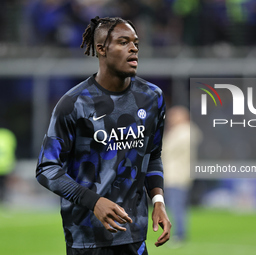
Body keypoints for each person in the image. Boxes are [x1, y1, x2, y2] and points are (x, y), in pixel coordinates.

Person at [36, 16, 171, 254]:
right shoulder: (74, 103)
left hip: (134, 236)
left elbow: (153, 155)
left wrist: (158, 201)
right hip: (86, 238)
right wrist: (94, 202)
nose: (133, 48)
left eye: (136, 43)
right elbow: (46, 168)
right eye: (123, 42)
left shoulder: (152, 97)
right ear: (101, 49)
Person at [163, 106, 201, 246]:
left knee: (176, 206)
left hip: (177, 175)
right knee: (174, 206)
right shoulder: (182, 131)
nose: (170, 119)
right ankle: (178, 233)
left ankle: (179, 235)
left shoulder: (184, 131)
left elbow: (166, 150)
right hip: (174, 175)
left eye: (173, 116)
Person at [0, 127, 16, 204]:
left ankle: (4, 199)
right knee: (5, 184)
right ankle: (4, 199)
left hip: (5, 165)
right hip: (6, 165)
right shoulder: (8, 135)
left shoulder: (7, 135)